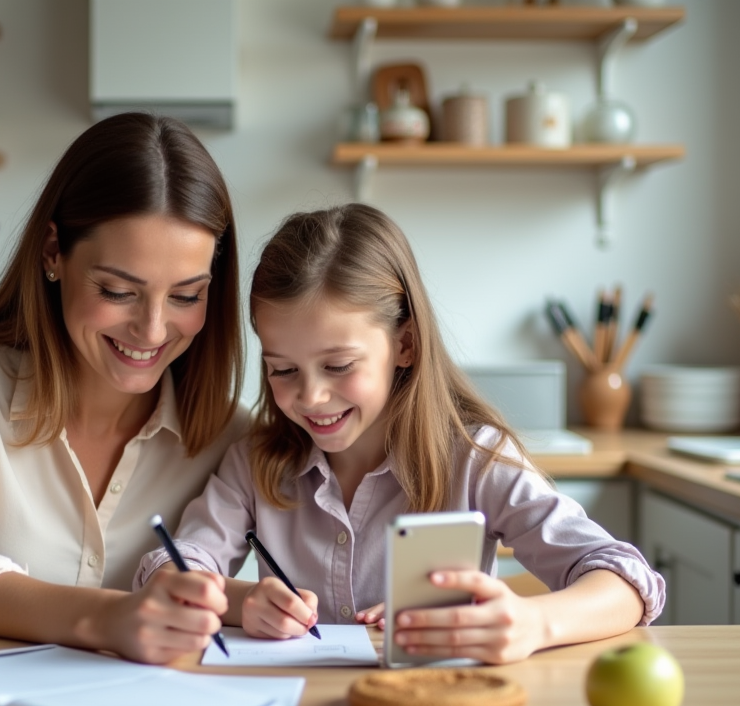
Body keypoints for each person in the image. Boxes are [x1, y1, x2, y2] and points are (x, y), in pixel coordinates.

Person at [135, 204, 664, 665]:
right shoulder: (255, 463)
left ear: (405, 345)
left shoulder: (474, 459)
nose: (312, 397)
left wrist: (530, 623)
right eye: (283, 370)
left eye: (339, 365)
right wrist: (238, 599)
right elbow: (169, 571)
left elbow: (625, 580)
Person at [0, 113, 245, 664]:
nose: (151, 330)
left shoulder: (232, 439)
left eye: (186, 296)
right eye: (119, 290)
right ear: (53, 252)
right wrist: (108, 617)